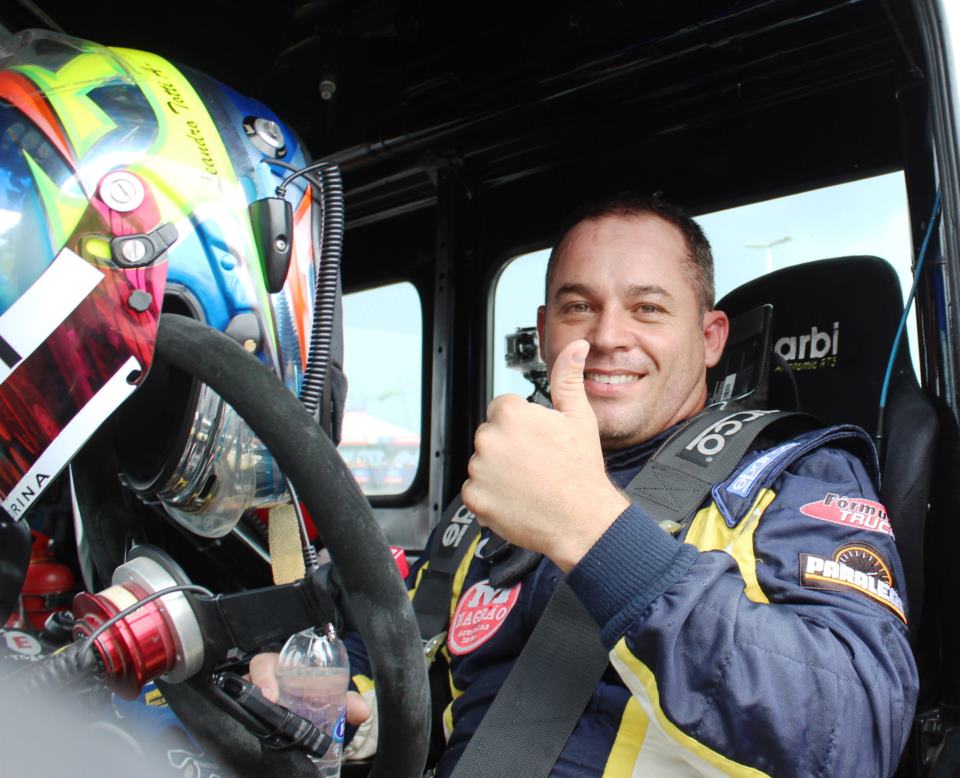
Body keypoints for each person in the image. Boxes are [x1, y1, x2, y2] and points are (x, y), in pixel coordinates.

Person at [253, 193, 918, 776]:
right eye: (579, 308)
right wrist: (344, 698)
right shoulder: (502, 489)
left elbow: (852, 734)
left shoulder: (791, 476)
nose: (607, 337)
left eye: (648, 309)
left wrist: (592, 531)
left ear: (711, 337)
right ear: (544, 333)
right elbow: (417, 650)